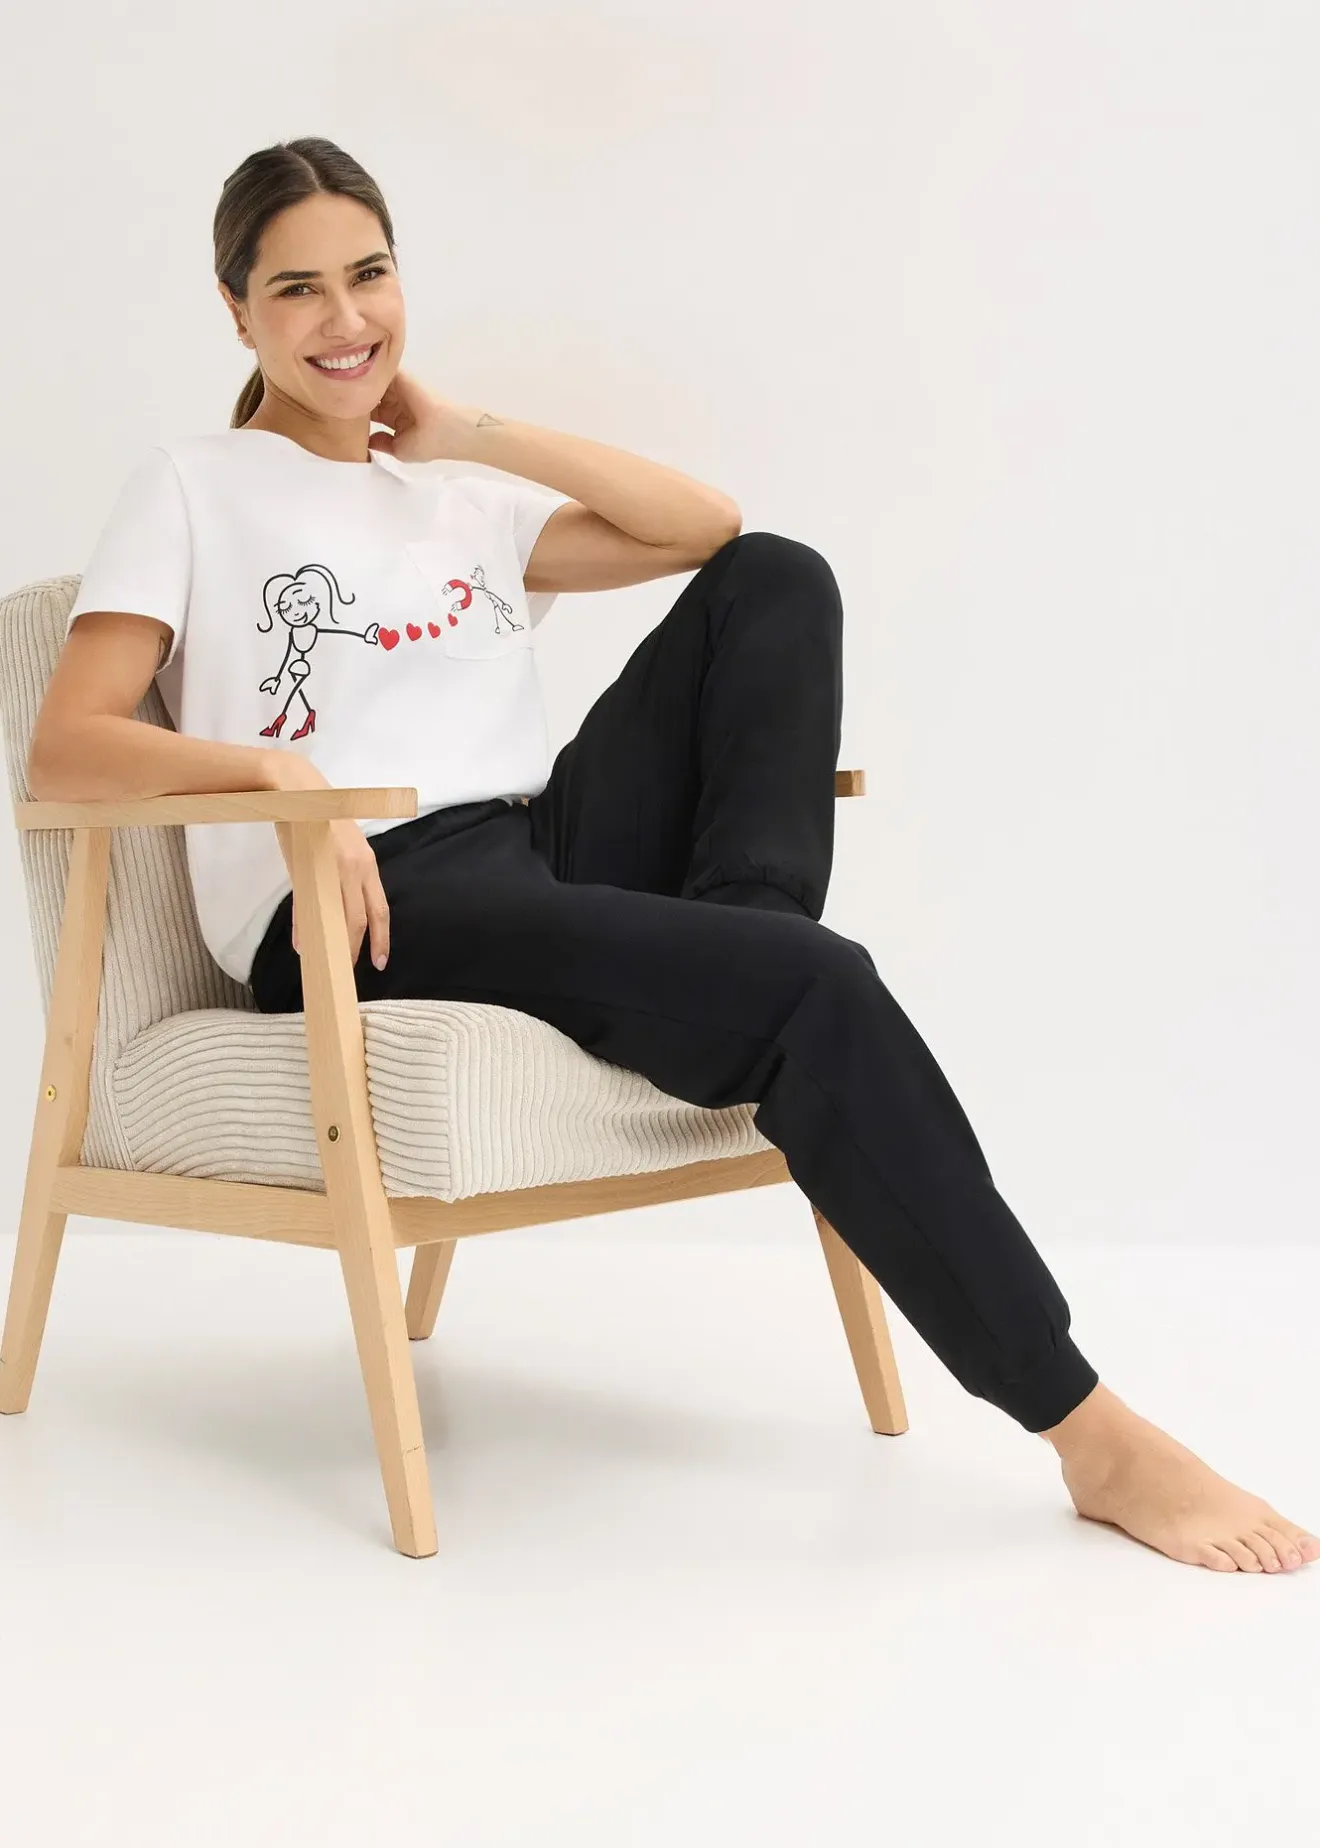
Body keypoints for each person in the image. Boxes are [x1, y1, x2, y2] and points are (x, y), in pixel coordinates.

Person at [34, 135, 1317, 1575]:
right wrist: (280, 774)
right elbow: (65, 748)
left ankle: (748, 963)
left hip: (528, 844)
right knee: (818, 986)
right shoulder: (194, 484)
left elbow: (705, 529)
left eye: (370, 275)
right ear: (236, 310)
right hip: (368, 897)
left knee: (778, 577)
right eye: (297, 290)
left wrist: (468, 432)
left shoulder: (454, 491)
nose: (345, 320)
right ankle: (1091, 1432)